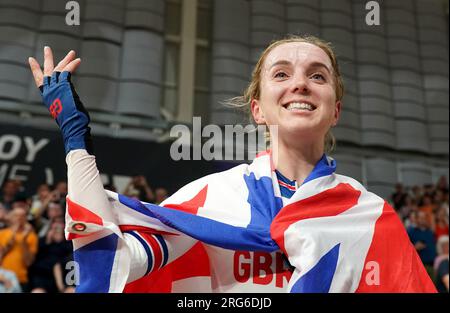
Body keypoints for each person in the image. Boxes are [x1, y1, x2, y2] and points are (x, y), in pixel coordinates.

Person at [28, 36, 436, 293]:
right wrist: (75, 138)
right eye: (282, 74)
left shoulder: (369, 217)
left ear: (335, 110)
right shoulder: (207, 198)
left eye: (318, 76)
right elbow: (112, 258)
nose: (300, 84)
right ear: (258, 109)